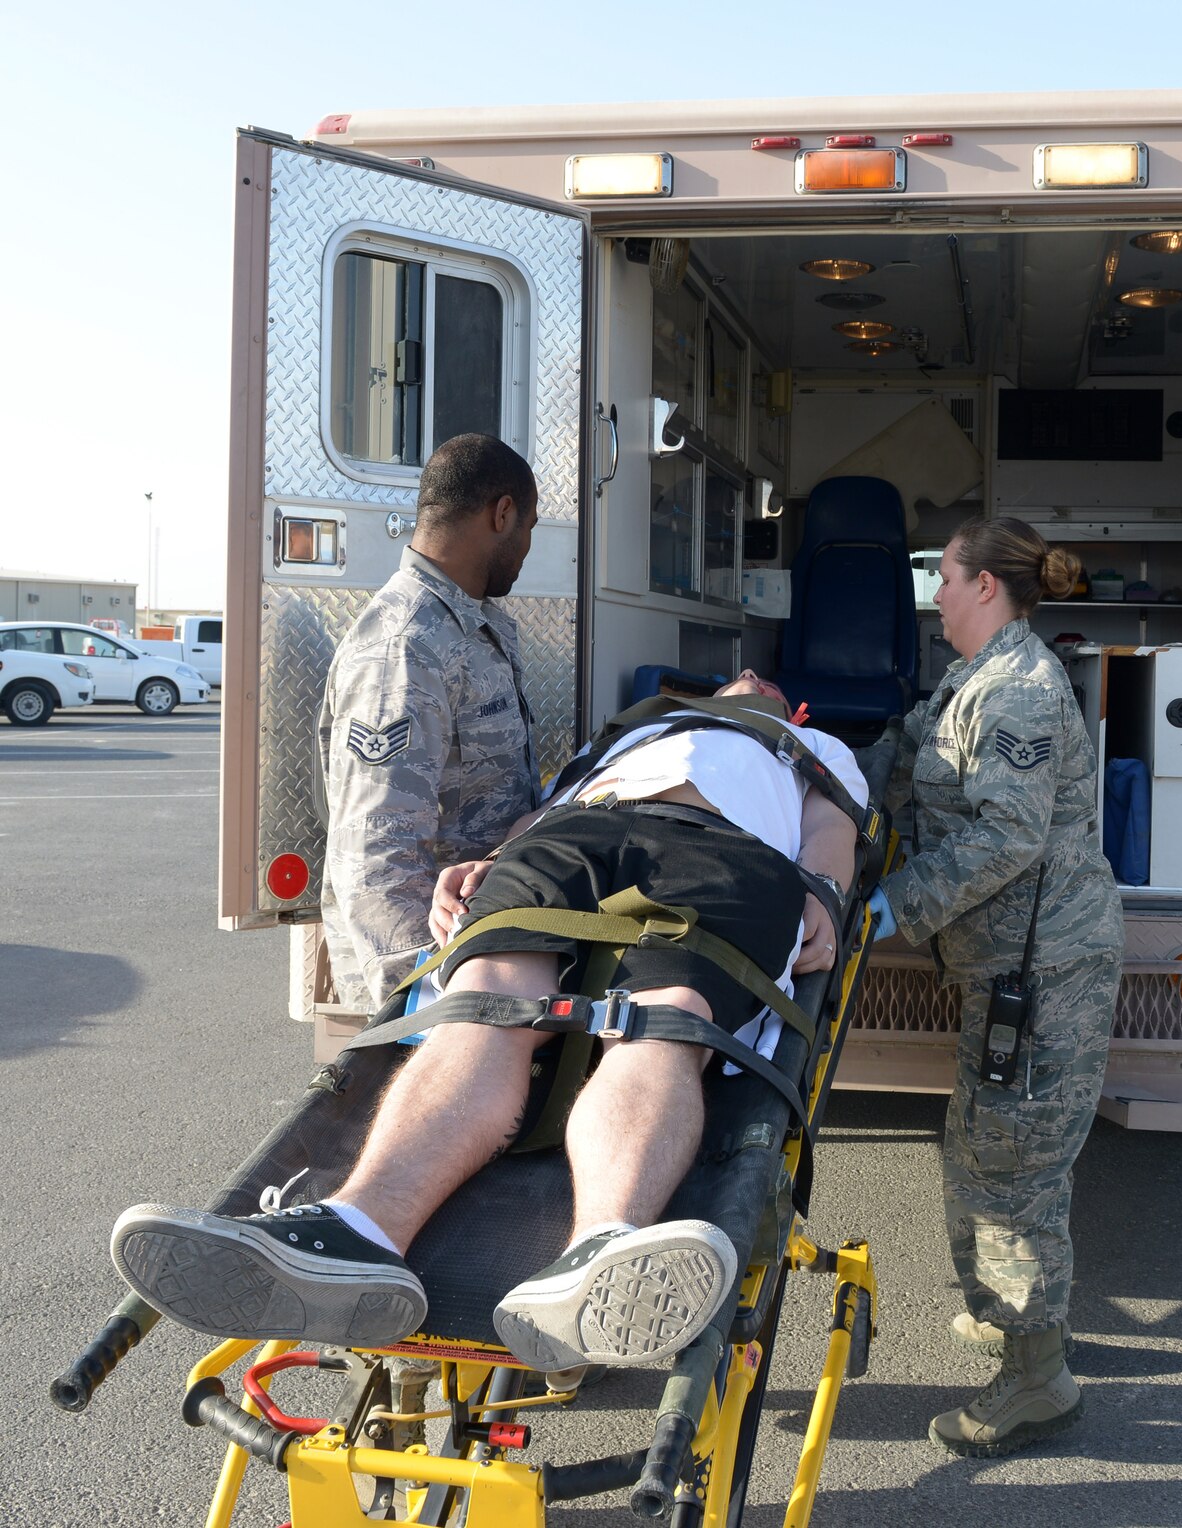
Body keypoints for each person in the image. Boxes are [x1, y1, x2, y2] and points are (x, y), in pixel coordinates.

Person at [111, 672, 866, 1373]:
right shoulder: (639, 730)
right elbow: (557, 800)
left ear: (787, 707)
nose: (750, 682)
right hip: (575, 835)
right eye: (739, 680)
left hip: (727, 855)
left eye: (764, 684)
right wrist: (493, 854)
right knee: (484, 1001)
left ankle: (600, 1253)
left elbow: (832, 828)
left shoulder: (811, 749)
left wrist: (825, 892)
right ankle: (359, 1230)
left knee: (662, 1021)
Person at [872, 517, 1124, 1457]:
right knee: (983, 1148)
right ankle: (1011, 1320)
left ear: (986, 587)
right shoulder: (970, 678)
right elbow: (904, 751)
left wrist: (890, 906)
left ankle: (1037, 1380)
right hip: (1008, 967)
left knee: (1012, 1172)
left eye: (945, 577)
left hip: (1045, 970)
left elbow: (1005, 839)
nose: (934, 593)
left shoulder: (1016, 691)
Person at [317, 433, 542, 1011]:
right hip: (435, 981)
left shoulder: (468, 627)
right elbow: (377, 858)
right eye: (529, 528)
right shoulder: (405, 647)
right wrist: (424, 1006)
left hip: (483, 954)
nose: (526, 549)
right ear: (503, 513)